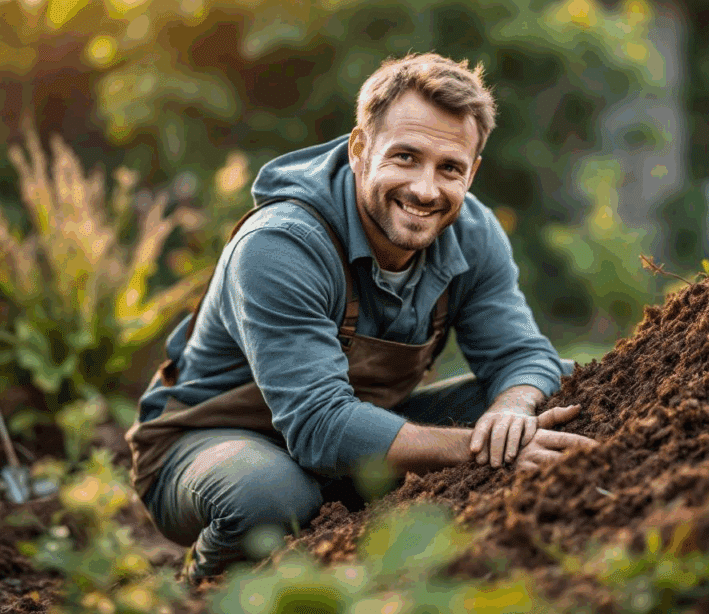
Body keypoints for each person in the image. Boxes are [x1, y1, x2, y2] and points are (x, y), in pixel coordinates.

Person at [125, 52, 597, 583]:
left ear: (473, 171)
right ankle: (200, 588)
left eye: (450, 168)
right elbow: (320, 422)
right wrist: (482, 449)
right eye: (405, 157)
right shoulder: (281, 245)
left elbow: (522, 354)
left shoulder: (472, 232)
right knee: (270, 495)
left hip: (355, 445)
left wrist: (510, 415)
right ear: (359, 149)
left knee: (560, 395)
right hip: (209, 445)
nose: (425, 189)